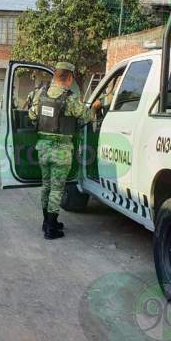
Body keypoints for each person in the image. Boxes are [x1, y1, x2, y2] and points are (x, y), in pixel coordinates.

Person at [29, 62, 101, 240]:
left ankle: (47, 222)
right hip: (61, 151)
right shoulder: (69, 99)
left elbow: (31, 115)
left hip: (43, 148)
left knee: (46, 186)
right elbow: (85, 116)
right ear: (68, 78)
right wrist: (94, 107)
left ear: (55, 76)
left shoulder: (41, 94)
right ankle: (51, 229)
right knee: (57, 189)